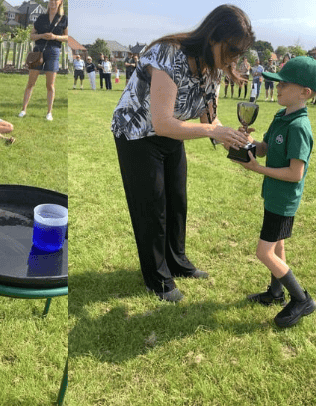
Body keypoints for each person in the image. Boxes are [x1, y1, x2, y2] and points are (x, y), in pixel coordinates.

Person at [111, 4, 254, 302]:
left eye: (240, 53)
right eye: (232, 50)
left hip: (172, 134)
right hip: (136, 135)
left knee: (177, 201)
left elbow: (209, 121)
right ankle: (157, 280)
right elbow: (162, 122)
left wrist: (233, 139)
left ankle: (177, 263)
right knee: (152, 206)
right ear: (213, 37)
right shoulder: (169, 54)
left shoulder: (213, 68)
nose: (234, 59)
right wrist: (214, 132)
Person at [232, 56, 316, 327]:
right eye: (277, 83)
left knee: (264, 252)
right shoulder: (281, 116)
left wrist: (258, 170)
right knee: (278, 245)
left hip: (284, 199)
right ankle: (275, 292)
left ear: (304, 93)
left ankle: (301, 299)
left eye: (284, 84)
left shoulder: (298, 127)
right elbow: (265, 148)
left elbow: (295, 174)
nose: (278, 88)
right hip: (272, 193)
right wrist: (249, 143)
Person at [18, 0, 67, 121]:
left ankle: (49, 112)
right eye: (51, 0)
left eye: (55, 0)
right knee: (31, 83)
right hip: (38, 51)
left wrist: (55, 37)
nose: (52, 2)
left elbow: (67, 37)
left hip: (53, 51)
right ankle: (23, 109)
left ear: (60, 2)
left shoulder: (64, 18)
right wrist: (41, 35)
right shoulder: (41, 18)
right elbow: (31, 35)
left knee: (50, 84)